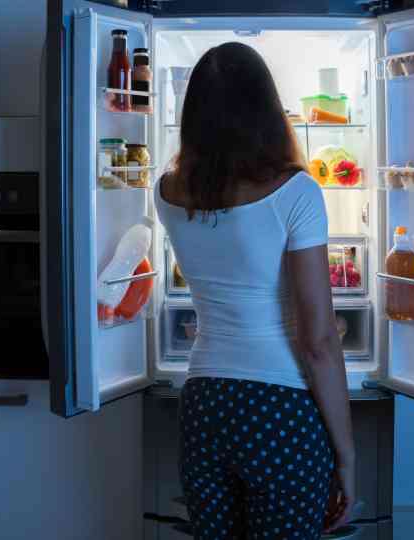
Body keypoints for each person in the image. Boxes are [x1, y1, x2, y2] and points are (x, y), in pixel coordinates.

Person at [155, 42, 355, 539]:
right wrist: (346, 456)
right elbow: (318, 341)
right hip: (278, 411)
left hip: (203, 404)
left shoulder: (166, 191)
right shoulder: (297, 193)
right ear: (268, 110)